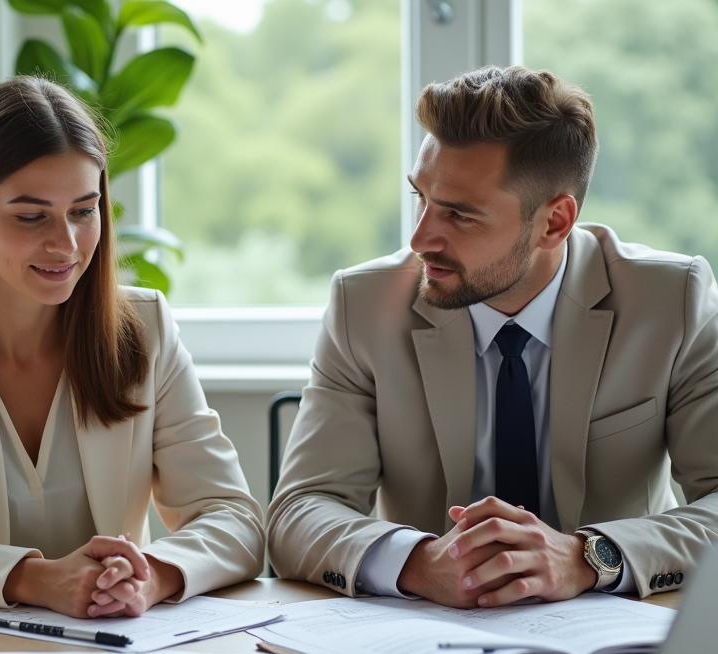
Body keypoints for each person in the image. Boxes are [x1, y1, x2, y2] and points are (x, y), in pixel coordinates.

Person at [268, 65, 718, 609]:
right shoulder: (363, 306)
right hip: (430, 638)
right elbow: (301, 509)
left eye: (459, 214)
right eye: (421, 198)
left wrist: (587, 557)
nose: (419, 239)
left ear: (554, 222)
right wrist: (417, 561)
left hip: (618, 636)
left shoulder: (670, 300)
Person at [0, 76, 264, 619]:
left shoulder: (146, 328)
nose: (65, 244)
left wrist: (148, 578)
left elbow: (232, 516)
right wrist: (37, 579)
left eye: (83, 210)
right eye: (31, 216)